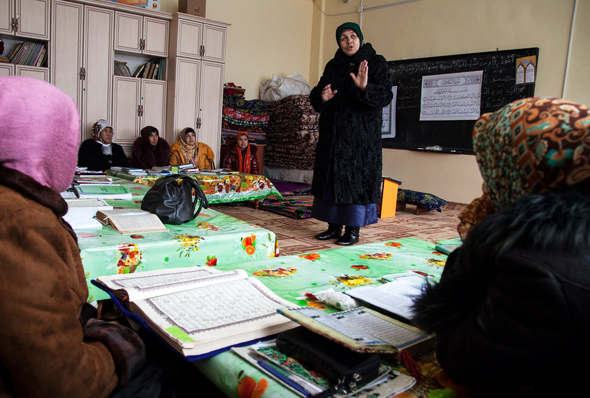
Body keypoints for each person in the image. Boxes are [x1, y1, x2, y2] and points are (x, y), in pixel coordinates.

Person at [412, 97, 590, 396]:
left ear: (521, 167)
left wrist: (477, 245)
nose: (485, 183)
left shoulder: (534, 271)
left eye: (492, 165)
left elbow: (462, 358)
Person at [0, 76, 146, 397]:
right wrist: (123, 348)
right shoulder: (21, 221)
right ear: (39, 144)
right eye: (65, 140)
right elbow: (63, 382)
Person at [309, 22, 393, 246]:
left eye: (353, 36)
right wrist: (322, 98)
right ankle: (333, 227)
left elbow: (385, 96)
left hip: (360, 140)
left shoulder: (376, 62)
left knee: (354, 183)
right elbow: (317, 93)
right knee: (331, 181)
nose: (348, 41)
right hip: (333, 137)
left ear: (360, 38)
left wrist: (366, 88)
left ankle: (352, 230)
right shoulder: (333, 65)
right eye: (343, 38)